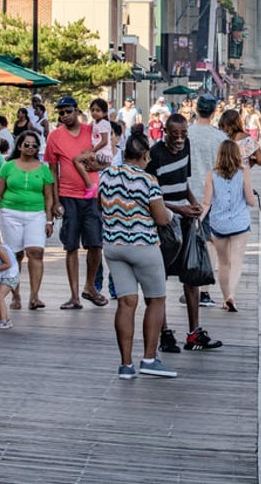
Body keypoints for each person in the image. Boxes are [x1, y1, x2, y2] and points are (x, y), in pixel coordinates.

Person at [99, 128, 178, 379]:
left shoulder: (106, 175)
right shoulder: (147, 180)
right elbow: (161, 217)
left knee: (126, 302)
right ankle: (149, 358)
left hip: (113, 247)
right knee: (156, 300)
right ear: (144, 154)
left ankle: (125, 365)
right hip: (143, 246)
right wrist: (172, 214)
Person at [146, 114, 222, 352]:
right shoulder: (155, 156)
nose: (179, 139)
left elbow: (183, 182)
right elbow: (151, 196)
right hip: (164, 222)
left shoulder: (186, 147)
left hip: (187, 217)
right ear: (164, 132)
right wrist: (178, 208)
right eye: (174, 135)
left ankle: (194, 333)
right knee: (160, 278)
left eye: (183, 134)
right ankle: (165, 333)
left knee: (191, 275)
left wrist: (194, 203)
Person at [45, 95, 108, 309]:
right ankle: (74, 295)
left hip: (92, 195)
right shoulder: (54, 137)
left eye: (68, 111)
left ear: (77, 111)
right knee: (70, 245)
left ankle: (90, 286)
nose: (64, 115)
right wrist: (54, 201)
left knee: (95, 244)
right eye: (61, 112)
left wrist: (97, 166)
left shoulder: (92, 131)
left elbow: (108, 157)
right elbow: (52, 171)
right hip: (68, 194)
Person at [0, 130, 54, 310]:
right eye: (27, 144)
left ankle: (35, 296)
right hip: (10, 213)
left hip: (36, 214)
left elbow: (49, 197)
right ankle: (15, 295)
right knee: (15, 255)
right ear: (19, 146)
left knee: (36, 252)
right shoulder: (7, 166)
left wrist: (49, 220)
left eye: (34, 145)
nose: (30, 148)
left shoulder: (44, 169)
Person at [202, 139, 256, 312]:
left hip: (219, 224)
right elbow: (250, 200)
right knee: (236, 261)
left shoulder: (211, 174)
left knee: (223, 263)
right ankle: (232, 294)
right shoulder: (243, 173)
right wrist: (254, 199)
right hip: (240, 223)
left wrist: (198, 221)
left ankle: (226, 298)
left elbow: (206, 202)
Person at [188, 93, 226, 309]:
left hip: (185, 194)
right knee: (209, 242)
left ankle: (189, 286)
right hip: (211, 196)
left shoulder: (185, 134)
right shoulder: (219, 138)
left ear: (196, 109)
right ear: (213, 112)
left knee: (188, 241)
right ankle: (204, 289)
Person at [0, 239, 18, 329]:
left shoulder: (0, 250)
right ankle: (6, 318)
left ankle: (3, 321)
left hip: (10, 276)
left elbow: (7, 264)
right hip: (6, 275)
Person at [88, 97, 113, 168]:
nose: (94, 112)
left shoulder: (103, 123)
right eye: (92, 110)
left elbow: (104, 141)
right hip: (99, 153)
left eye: (98, 110)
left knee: (77, 160)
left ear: (105, 113)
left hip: (103, 154)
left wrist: (92, 150)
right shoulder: (96, 123)